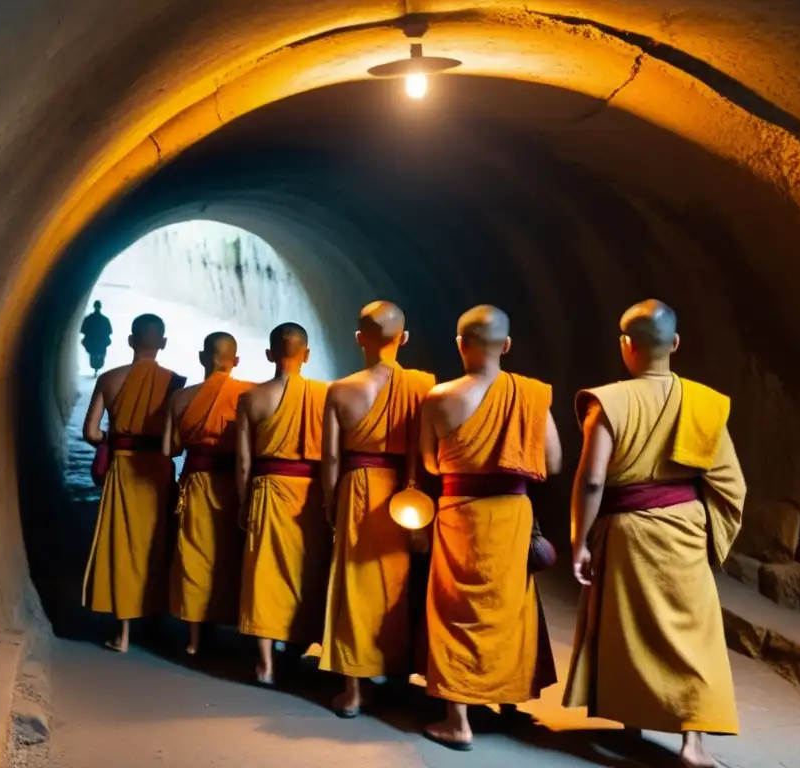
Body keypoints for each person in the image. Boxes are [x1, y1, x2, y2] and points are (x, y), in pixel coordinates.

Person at [562, 299, 746, 768]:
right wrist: (712, 530)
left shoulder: (608, 403)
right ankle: (693, 745)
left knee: (629, 629)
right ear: (676, 344)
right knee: (695, 636)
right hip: (684, 527)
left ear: (626, 346)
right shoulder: (704, 403)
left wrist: (580, 540)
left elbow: (592, 480)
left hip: (625, 534)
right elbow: (730, 481)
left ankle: (631, 722)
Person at [419, 305, 562, 751]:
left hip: (459, 511)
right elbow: (553, 461)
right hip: (512, 514)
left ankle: (457, 720)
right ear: (507, 345)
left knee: (454, 609)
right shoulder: (530, 395)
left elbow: (427, 461)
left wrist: (464, 462)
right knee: (509, 608)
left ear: (460, 345)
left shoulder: (439, 397)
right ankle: (508, 698)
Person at [319, 301, 435, 717]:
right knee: (398, 586)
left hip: (357, 487)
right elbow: (425, 453)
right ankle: (397, 675)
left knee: (353, 584)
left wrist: (331, 504)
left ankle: (352, 691)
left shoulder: (341, 390)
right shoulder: (424, 386)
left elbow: (331, 459)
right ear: (403, 339)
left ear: (358, 339)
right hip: (407, 497)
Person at [82, 313, 186, 652]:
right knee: (157, 544)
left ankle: (122, 633)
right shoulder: (175, 383)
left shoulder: (109, 380)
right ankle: (156, 621)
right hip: (156, 471)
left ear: (129, 341)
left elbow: (91, 432)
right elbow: (176, 441)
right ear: (163, 343)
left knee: (121, 546)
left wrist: (113, 442)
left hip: (123, 470)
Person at [236, 323, 331, 686]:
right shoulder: (325, 396)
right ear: (306, 355)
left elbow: (244, 460)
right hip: (310, 493)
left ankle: (264, 664)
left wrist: (244, 502)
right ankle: (296, 647)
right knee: (306, 571)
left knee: (264, 573)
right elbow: (334, 453)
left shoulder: (252, 398)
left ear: (270, 354)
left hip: (268, 490)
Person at [163, 332, 254, 657]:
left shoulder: (181, 398)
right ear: (237, 361)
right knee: (234, 556)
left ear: (202, 357)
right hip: (236, 484)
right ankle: (239, 627)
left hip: (198, 483)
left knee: (195, 556)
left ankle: (194, 638)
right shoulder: (250, 394)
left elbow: (169, 449)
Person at [81, 300, 113, 377]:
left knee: (93, 357)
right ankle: (96, 368)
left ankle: (96, 368)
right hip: (102, 343)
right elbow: (110, 331)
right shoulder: (105, 319)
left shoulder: (88, 319)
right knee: (99, 358)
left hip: (91, 343)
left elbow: (83, 330)